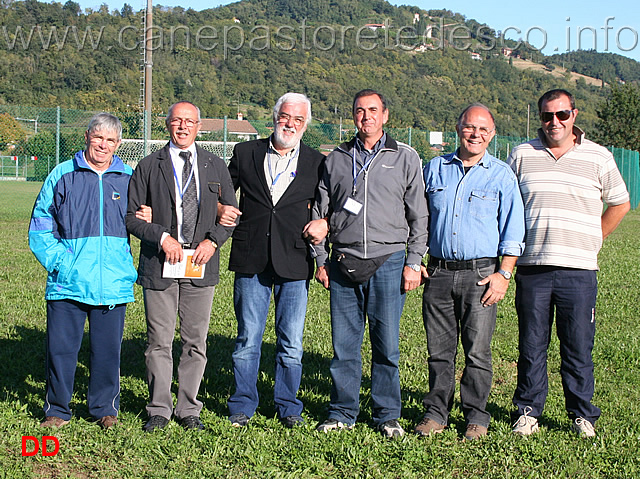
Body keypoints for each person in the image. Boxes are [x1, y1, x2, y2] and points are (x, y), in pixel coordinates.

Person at [304, 89, 428, 438]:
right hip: (344, 262)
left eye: (373, 110)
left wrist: (414, 261)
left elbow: (419, 215)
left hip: (389, 261)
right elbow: (320, 212)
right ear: (353, 116)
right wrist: (321, 260)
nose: (366, 116)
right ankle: (342, 411)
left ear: (385, 115)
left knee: (386, 345)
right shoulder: (337, 158)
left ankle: (387, 415)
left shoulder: (404, 157)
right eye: (360, 111)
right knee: (344, 346)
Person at [508, 89, 630, 438]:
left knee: (577, 344)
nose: (554, 122)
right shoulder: (522, 154)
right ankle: (528, 411)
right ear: (540, 117)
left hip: (579, 270)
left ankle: (582, 414)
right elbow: (510, 205)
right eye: (547, 116)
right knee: (532, 344)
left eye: (562, 115)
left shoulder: (599, 157)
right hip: (533, 267)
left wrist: (594, 239)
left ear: (574, 114)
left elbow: (620, 203)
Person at [126, 101, 237, 432]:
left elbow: (230, 213)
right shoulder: (148, 165)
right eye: (177, 121)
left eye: (190, 121)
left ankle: (189, 408)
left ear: (199, 126)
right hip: (161, 263)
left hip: (200, 262)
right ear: (167, 124)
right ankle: (159, 407)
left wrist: (212, 241)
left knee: (195, 340)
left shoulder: (215, 165)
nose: (183, 126)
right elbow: (131, 217)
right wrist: (161, 237)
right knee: (159, 339)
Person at [416, 104, 525, 441]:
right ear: (458, 128)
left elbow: (513, 230)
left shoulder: (501, 174)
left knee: (477, 351)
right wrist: (416, 258)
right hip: (438, 273)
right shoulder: (434, 168)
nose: (475, 134)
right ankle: (436, 413)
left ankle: (476, 416)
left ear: (491, 134)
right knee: (439, 351)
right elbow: (418, 219)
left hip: (481, 275)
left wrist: (503, 275)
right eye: (469, 127)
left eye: (483, 129)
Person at [216, 93, 325, 429]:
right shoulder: (245, 152)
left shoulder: (317, 162)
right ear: (274, 116)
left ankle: (288, 405)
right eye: (285, 116)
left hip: (294, 259)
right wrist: (220, 208)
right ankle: (242, 405)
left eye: (298, 119)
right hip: (251, 257)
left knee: (291, 342)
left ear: (305, 125)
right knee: (248, 339)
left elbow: (329, 206)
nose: (290, 123)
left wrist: (327, 225)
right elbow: (221, 189)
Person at [29, 113, 137, 429]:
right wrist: (61, 264)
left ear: (118, 144)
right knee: (61, 351)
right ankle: (57, 410)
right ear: (87, 136)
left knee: (107, 353)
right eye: (98, 137)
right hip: (68, 282)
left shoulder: (129, 178)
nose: (103, 145)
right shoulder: (62, 175)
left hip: (112, 283)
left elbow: (145, 220)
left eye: (110, 140)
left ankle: (104, 409)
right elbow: (40, 226)